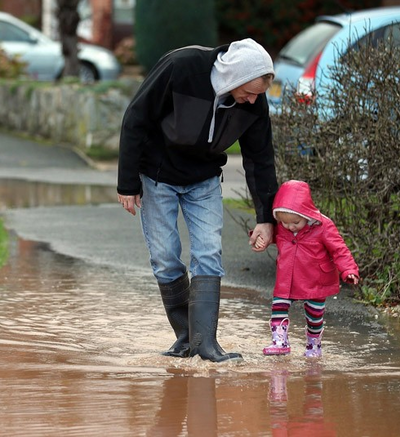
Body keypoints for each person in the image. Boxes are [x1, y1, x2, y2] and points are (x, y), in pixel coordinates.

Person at [117, 38, 279, 362]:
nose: (251, 100)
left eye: (257, 95)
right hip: (157, 175)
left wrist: (266, 216)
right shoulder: (182, 67)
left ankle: (207, 344)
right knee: (165, 256)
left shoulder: (253, 104)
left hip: (203, 181)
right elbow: (136, 118)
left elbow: (259, 158)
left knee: (209, 252)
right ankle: (186, 338)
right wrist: (127, 182)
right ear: (235, 75)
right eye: (249, 91)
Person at [254, 180, 359, 358]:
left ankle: (314, 344)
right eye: (285, 223)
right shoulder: (281, 225)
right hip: (287, 278)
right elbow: (273, 235)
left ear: (306, 213)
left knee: (314, 315)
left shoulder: (323, 226)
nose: (290, 227)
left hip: (315, 279)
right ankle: (280, 341)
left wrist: (348, 270)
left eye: (295, 222)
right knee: (278, 306)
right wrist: (261, 240)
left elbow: (339, 249)